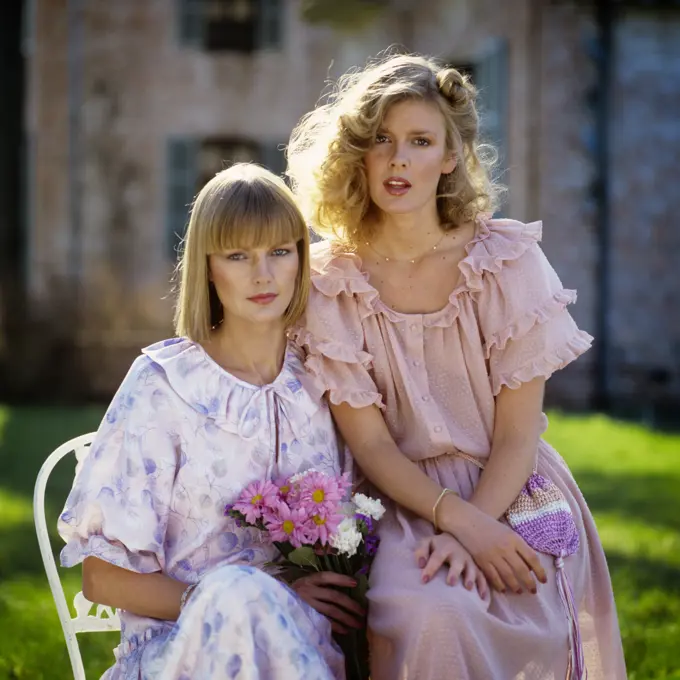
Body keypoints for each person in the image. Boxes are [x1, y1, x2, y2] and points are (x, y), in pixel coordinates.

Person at [286, 53, 627, 679]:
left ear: (450, 158)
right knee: (429, 613)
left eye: (421, 141)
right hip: (401, 500)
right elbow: (371, 443)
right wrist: (460, 523)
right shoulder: (332, 281)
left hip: (511, 486)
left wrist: (485, 523)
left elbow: (518, 432)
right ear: (357, 154)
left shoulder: (506, 261)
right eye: (382, 141)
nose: (399, 159)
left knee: (517, 611)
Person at [57, 163, 363, 679]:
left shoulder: (326, 380)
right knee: (237, 593)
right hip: (183, 650)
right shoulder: (163, 384)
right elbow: (102, 579)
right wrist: (251, 595)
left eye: (279, 252)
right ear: (208, 268)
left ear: (301, 260)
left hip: (305, 649)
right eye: (238, 256)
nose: (262, 275)